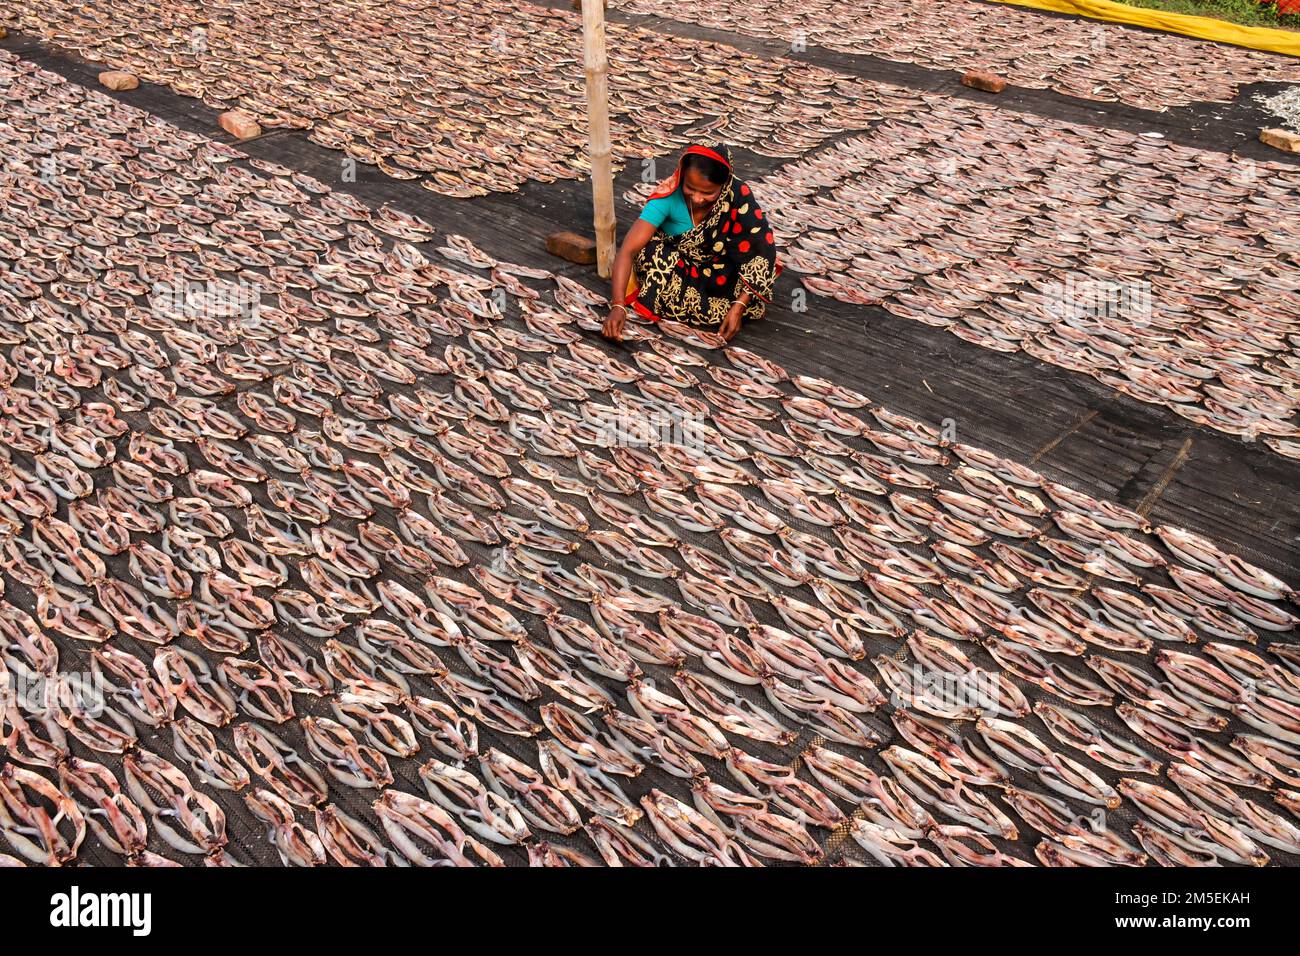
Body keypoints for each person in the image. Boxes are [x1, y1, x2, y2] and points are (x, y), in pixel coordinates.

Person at [601, 144, 779, 342]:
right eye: (690, 188)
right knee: (650, 252)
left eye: (708, 193)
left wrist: (739, 306)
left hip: (719, 272)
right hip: (680, 270)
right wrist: (618, 305)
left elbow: (761, 249)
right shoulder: (667, 198)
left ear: (724, 184)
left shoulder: (737, 194)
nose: (697, 198)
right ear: (682, 174)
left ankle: (734, 305)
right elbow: (628, 251)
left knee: (757, 271)